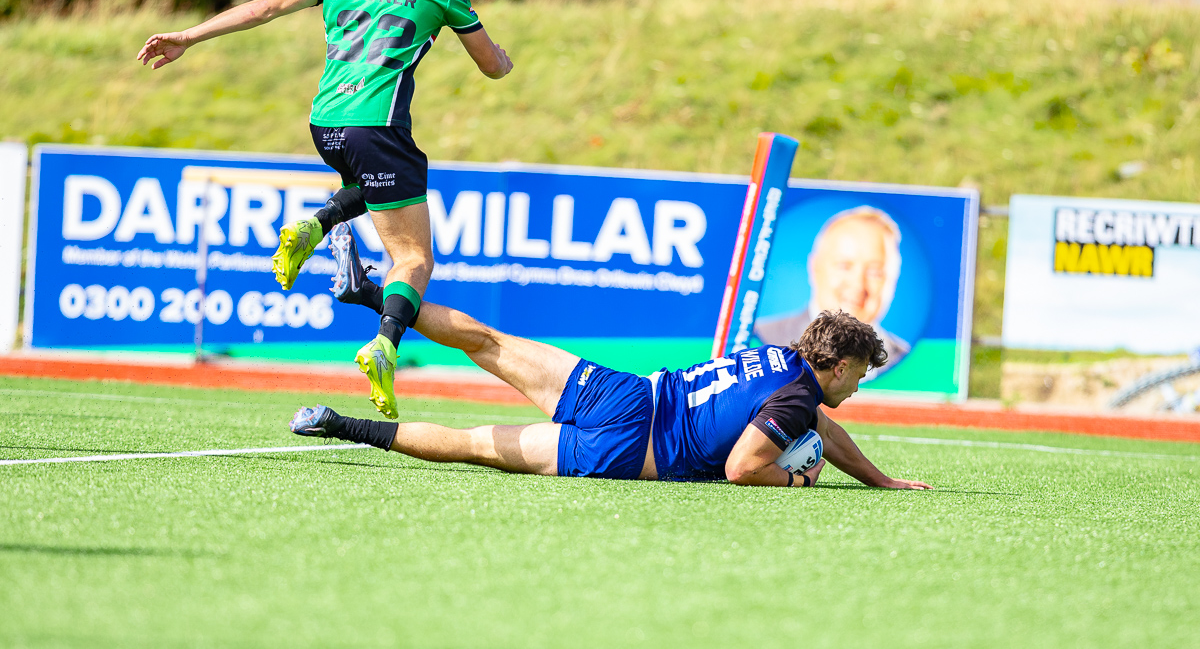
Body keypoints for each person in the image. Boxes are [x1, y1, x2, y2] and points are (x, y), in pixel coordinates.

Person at [136, 0, 512, 420]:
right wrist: (505, 62)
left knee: (384, 184)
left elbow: (264, 8)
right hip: (377, 127)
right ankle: (385, 345)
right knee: (413, 258)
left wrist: (188, 37)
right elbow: (491, 65)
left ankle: (315, 226)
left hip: (325, 124)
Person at [290, 229, 932, 489]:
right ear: (839, 366)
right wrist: (797, 481)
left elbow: (823, 430)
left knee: (486, 341)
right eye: (859, 374)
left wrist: (880, 480)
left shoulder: (779, 358)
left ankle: (369, 292)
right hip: (628, 450)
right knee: (474, 445)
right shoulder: (797, 398)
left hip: (623, 393)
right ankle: (338, 424)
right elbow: (742, 469)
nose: (858, 386)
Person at [755, 206, 910, 374]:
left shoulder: (909, 361)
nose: (858, 284)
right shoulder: (757, 340)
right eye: (844, 266)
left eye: (875, 272)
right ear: (815, 267)